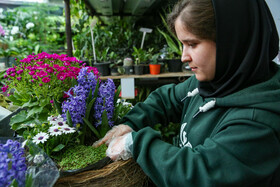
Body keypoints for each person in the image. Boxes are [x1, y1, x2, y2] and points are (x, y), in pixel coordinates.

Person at [94, 0, 280, 186]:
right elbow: (166, 99)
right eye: (182, 44)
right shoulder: (212, 82)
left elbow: (199, 173)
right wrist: (130, 123)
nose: (184, 57)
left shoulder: (259, 121)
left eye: (192, 44)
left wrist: (136, 143)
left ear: (232, 40)